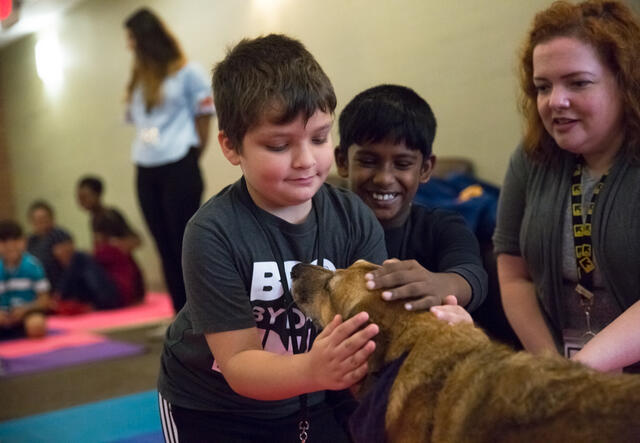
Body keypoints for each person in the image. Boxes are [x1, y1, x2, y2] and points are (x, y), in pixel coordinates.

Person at [157, 34, 386, 442]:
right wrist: (312, 370)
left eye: (318, 138)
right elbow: (240, 362)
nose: (305, 160)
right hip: (212, 405)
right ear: (231, 146)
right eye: (279, 145)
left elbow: (372, 320)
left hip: (313, 394)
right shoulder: (212, 232)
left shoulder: (353, 218)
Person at [493, 0, 640, 373]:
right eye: (543, 87)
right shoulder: (531, 159)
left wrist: (578, 374)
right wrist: (552, 367)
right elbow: (514, 275)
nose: (555, 101)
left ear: (625, 83)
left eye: (578, 83)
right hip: (564, 372)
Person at [334, 84, 486, 320]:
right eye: (368, 161)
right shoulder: (323, 223)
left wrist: (439, 284)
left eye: (402, 164)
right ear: (342, 162)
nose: (384, 178)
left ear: (425, 169)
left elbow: (472, 275)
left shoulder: (442, 226)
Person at [124, 8, 214, 313]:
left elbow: (204, 115)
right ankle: (180, 316)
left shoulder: (188, 73)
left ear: (148, 39)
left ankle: (202, 313)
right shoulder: (138, 80)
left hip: (179, 164)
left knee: (185, 245)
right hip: (146, 167)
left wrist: (191, 155)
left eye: (133, 39)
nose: (129, 46)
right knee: (164, 247)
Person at [76, 175, 145, 306]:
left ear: (97, 195)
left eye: (85, 196)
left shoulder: (109, 215)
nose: (81, 201)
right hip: (109, 274)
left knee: (80, 258)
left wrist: (113, 246)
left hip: (123, 279)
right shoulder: (95, 218)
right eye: (79, 197)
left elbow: (136, 240)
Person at [49, 230, 122, 314]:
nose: (63, 250)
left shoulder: (82, 260)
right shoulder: (55, 265)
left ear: (72, 245)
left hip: (101, 304)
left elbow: (98, 286)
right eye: (59, 248)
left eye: (66, 246)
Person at [0, 220, 50, 339]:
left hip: (27, 314)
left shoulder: (33, 265)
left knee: (36, 325)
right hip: (3, 315)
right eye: (4, 242)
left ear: (24, 242)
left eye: (16, 241)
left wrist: (25, 310)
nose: (10, 246)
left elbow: (44, 300)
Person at [26, 200, 71, 292]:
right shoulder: (30, 240)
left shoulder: (59, 235)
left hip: (56, 288)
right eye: (37, 220)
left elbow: (69, 267)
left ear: (52, 218)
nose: (41, 222)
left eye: (44, 218)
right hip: (35, 288)